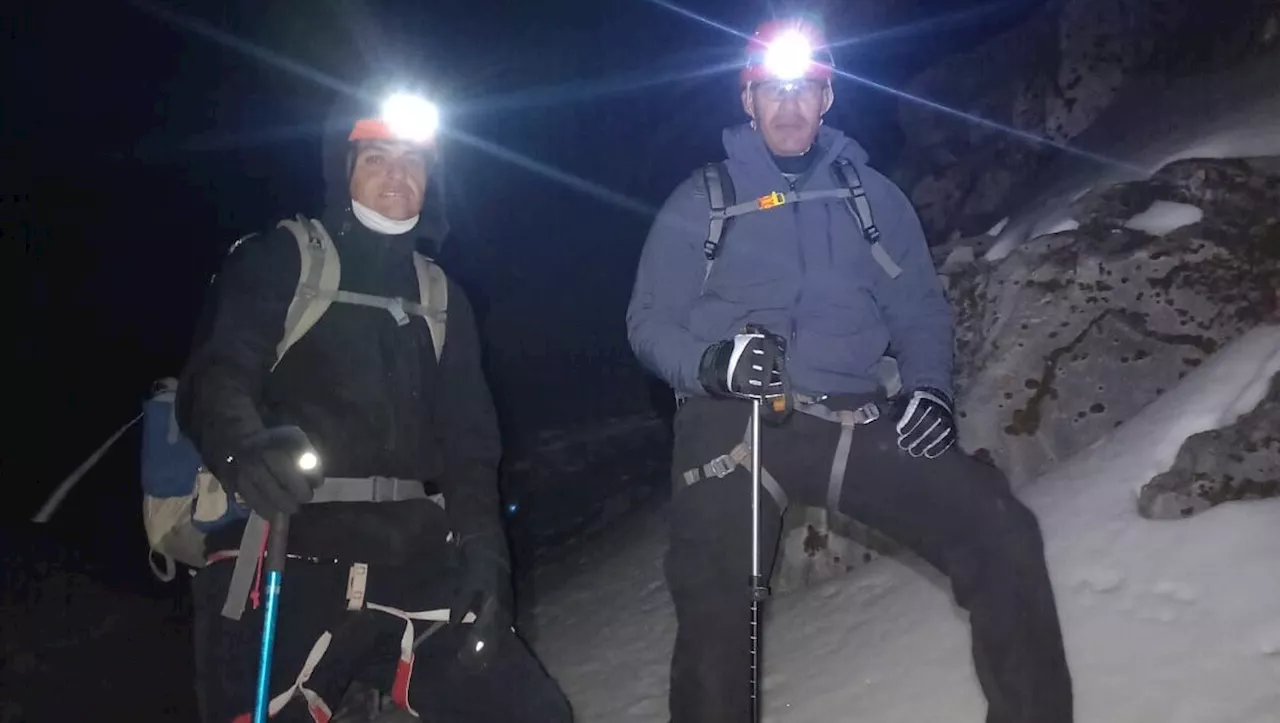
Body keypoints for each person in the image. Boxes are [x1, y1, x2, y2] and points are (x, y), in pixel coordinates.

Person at [626, 17, 1073, 723]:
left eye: (805, 88)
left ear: (827, 98)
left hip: (853, 413)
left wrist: (929, 386)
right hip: (734, 418)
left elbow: (919, 308)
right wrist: (713, 362)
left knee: (1000, 529)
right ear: (747, 101)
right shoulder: (703, 201)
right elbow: (648, 323)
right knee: (719, 606)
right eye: (772, 90)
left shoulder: (874, 199)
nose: (789, 103)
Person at [176, 77, 573, 723]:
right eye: (376, 158)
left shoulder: (442, 295)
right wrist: (245, 448)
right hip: (288, 546)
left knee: (530, 710)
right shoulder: (280, 259)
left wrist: (485, 556)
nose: (397, 174)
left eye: (413, 159)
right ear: (344, 169)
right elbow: (217, 374)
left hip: (413, 557)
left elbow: (471, 445)